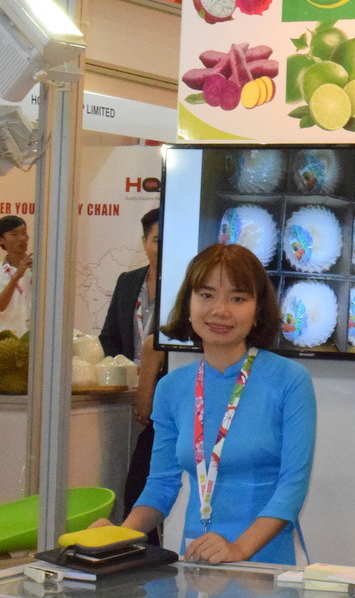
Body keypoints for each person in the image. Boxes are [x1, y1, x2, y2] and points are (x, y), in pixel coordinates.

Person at [95, 243, 316, 564]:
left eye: (237, 298)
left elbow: (291, 489)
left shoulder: (290, 380)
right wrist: (118, 535)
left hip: (267, 564)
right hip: (198, 560)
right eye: (207, 294)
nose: (220, 310)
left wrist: (238, 549)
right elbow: (161, 485)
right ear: (188, 302)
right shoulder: (171, 387)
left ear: (258, 309)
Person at [98, 208, 166, 535]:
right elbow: (109, 337)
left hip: (163, 397)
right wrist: (122, 371)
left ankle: (143, 546)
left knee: (147, 483)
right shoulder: (128, 282)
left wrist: (148, 387)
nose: (161, 247)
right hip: (126, 393)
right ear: (144, 242)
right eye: (156, 239)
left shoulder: (188, 285)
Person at [0, 215, 33, 335]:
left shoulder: (41, 269)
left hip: (36, 338)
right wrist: (17, 275)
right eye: (14, 234)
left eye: (24, 233)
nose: (22, 238)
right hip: (7, 339)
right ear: (1, 240)